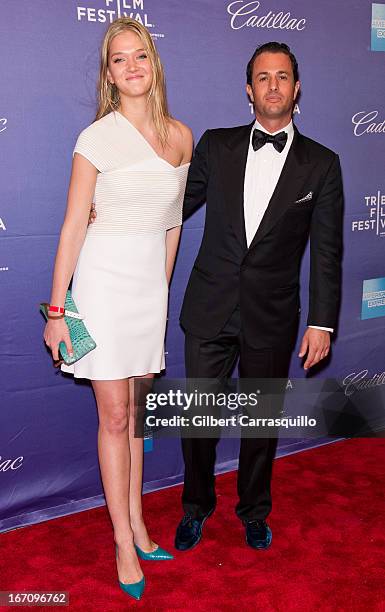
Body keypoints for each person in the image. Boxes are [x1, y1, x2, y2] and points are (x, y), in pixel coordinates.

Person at [43, 17, 192, 600]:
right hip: (102, 282)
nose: (132, 67)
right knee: (114, 415)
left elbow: (174, 223)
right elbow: (74, 224)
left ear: (154, 63)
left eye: (140, 57)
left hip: (146, 289)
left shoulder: (181, 136)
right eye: (118, 60)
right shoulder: (96, 138)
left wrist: (160, 289)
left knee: (135, 410)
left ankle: (137, 520)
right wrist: (58, 311)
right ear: (108, 74)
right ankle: (121, 543)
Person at [175, 42, 343, 552]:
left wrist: (322, 322)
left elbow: (328, 251)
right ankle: (196, 506)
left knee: (261, 423)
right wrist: (116, 213)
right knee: (198, 420)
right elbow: (173, 206)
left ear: (297, 89)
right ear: (249, 90)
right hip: (209, 306)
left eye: (283, 76)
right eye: (263, 77)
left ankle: (253, 509)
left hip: (272, 315)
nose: (273, 85)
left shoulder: (322, 164)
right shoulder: (216, 145)